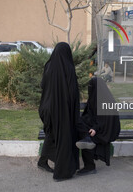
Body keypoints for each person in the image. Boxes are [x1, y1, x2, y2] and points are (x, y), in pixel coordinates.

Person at [37, 42, 80, 181]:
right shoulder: (68, 68)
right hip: (61, 111)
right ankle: (63, 169)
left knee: (51, 134)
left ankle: (42, 162)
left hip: (47, 109)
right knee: (64, 138)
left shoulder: (48, 66)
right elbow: (72, 92)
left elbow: (43, 85)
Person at [76, 76, 120, 175]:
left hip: (106, 131)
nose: (89, 88)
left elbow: (105, 120)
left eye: (91, 86)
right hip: (100, 127)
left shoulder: (105, 100)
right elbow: (91, 115)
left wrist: (95, 128)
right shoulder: (97, 96)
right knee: (81, 132)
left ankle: (89, 167)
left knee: (86, 137)